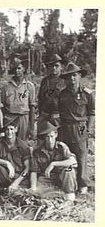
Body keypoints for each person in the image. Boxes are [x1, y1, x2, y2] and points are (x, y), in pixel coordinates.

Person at [58, 62, 95, 194]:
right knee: (66, 154)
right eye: (68, 77)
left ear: (79, 76)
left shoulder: (87, 93)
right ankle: (69, 183)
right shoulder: (62, 94)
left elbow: (92, 112)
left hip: (80, 127)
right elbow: (59, 112)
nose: (71, 79)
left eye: (74, 76)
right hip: (65, 127)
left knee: (81, 155)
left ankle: (83, 184)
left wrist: (88, 129)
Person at [0, 116, 31, 206]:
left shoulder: (23, 145)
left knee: (21, 199)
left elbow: (27, 168)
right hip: (4, 175)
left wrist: (15, 183)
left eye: (11, 129)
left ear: (16, 129)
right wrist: (7, 163)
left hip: (19, 178)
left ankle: (8, 194)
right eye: (7, 130)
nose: (9, 132)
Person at [30, 121, 78, 201]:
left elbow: (73, 161)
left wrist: (54, 164)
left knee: (69, 170)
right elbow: (34, 171)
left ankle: (70, 195)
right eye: (47, 137)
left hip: (61, 176)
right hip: (46, 178)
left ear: (56, 135)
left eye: (51, 136)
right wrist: (33, 187)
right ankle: (56, 194)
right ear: (44, 138)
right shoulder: (37, 151)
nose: (50, 140)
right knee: (38, 195)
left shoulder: (61, 147)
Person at [1, 58, 36, 141]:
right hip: (10, 117)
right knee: (9, 141)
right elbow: (2, 106)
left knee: (22, 142)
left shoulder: (29, 86)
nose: (17, 71)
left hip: (23, 118)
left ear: (23, 69)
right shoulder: (6, 86)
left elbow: (32, 107)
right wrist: (3, 124)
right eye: (15, 69)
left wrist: (31, 127)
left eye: (19, 68)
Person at [37, 54, 65, 127]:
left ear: (61, 67)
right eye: (52, 66)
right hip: (45, 115)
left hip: (59, 117)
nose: (54, 68)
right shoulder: (45, 81)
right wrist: (41, 115)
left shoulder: (65, 81)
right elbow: (40, 99)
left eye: (56, 66)